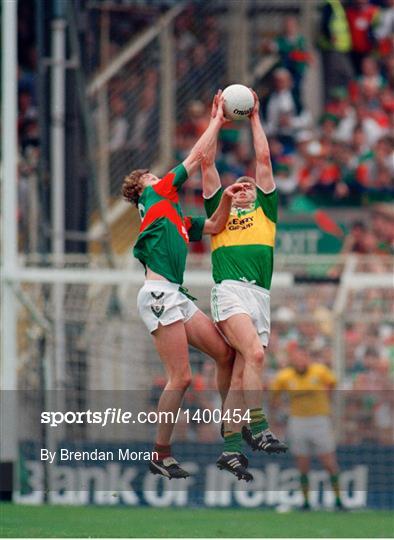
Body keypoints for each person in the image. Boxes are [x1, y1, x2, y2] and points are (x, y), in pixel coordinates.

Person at [122, 95, 243, 480]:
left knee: (225, 354)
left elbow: (213, 227)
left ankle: (231, 434)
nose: (158, 180)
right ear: (143, 191)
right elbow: (194, 158)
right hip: (158, 295)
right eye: (151, 179)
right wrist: (217, 121)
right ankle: (161, 452)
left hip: (175, 294)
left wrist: (224, 199)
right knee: (183, 377)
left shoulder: (171, 214)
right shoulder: (156, 199)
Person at [202, 90, 287, 482]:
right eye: (239, 186)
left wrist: (254, 117)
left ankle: (232, 450)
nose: (244, 189)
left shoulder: (266, 213)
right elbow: (205, 161)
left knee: (240, 376)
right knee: (254, 354)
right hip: (231, 290)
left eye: (250, 187)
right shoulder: (219, 212)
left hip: (260, 298)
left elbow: (264, 159)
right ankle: (259, 425)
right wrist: (217, 118)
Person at [270, 344, 345, 511]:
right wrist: (281, 410)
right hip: (298, 422)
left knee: (329, 463)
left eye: (302, 357)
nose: (300, 361)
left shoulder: (320, 371)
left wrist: (326, 399)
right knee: (302, 464)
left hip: (319, 421)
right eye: (296, 358)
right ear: (292, 360)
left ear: (308, 358)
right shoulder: (284, 376)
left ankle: (339, 500)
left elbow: (332, 383)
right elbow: (273, 397)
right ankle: (306, 502)